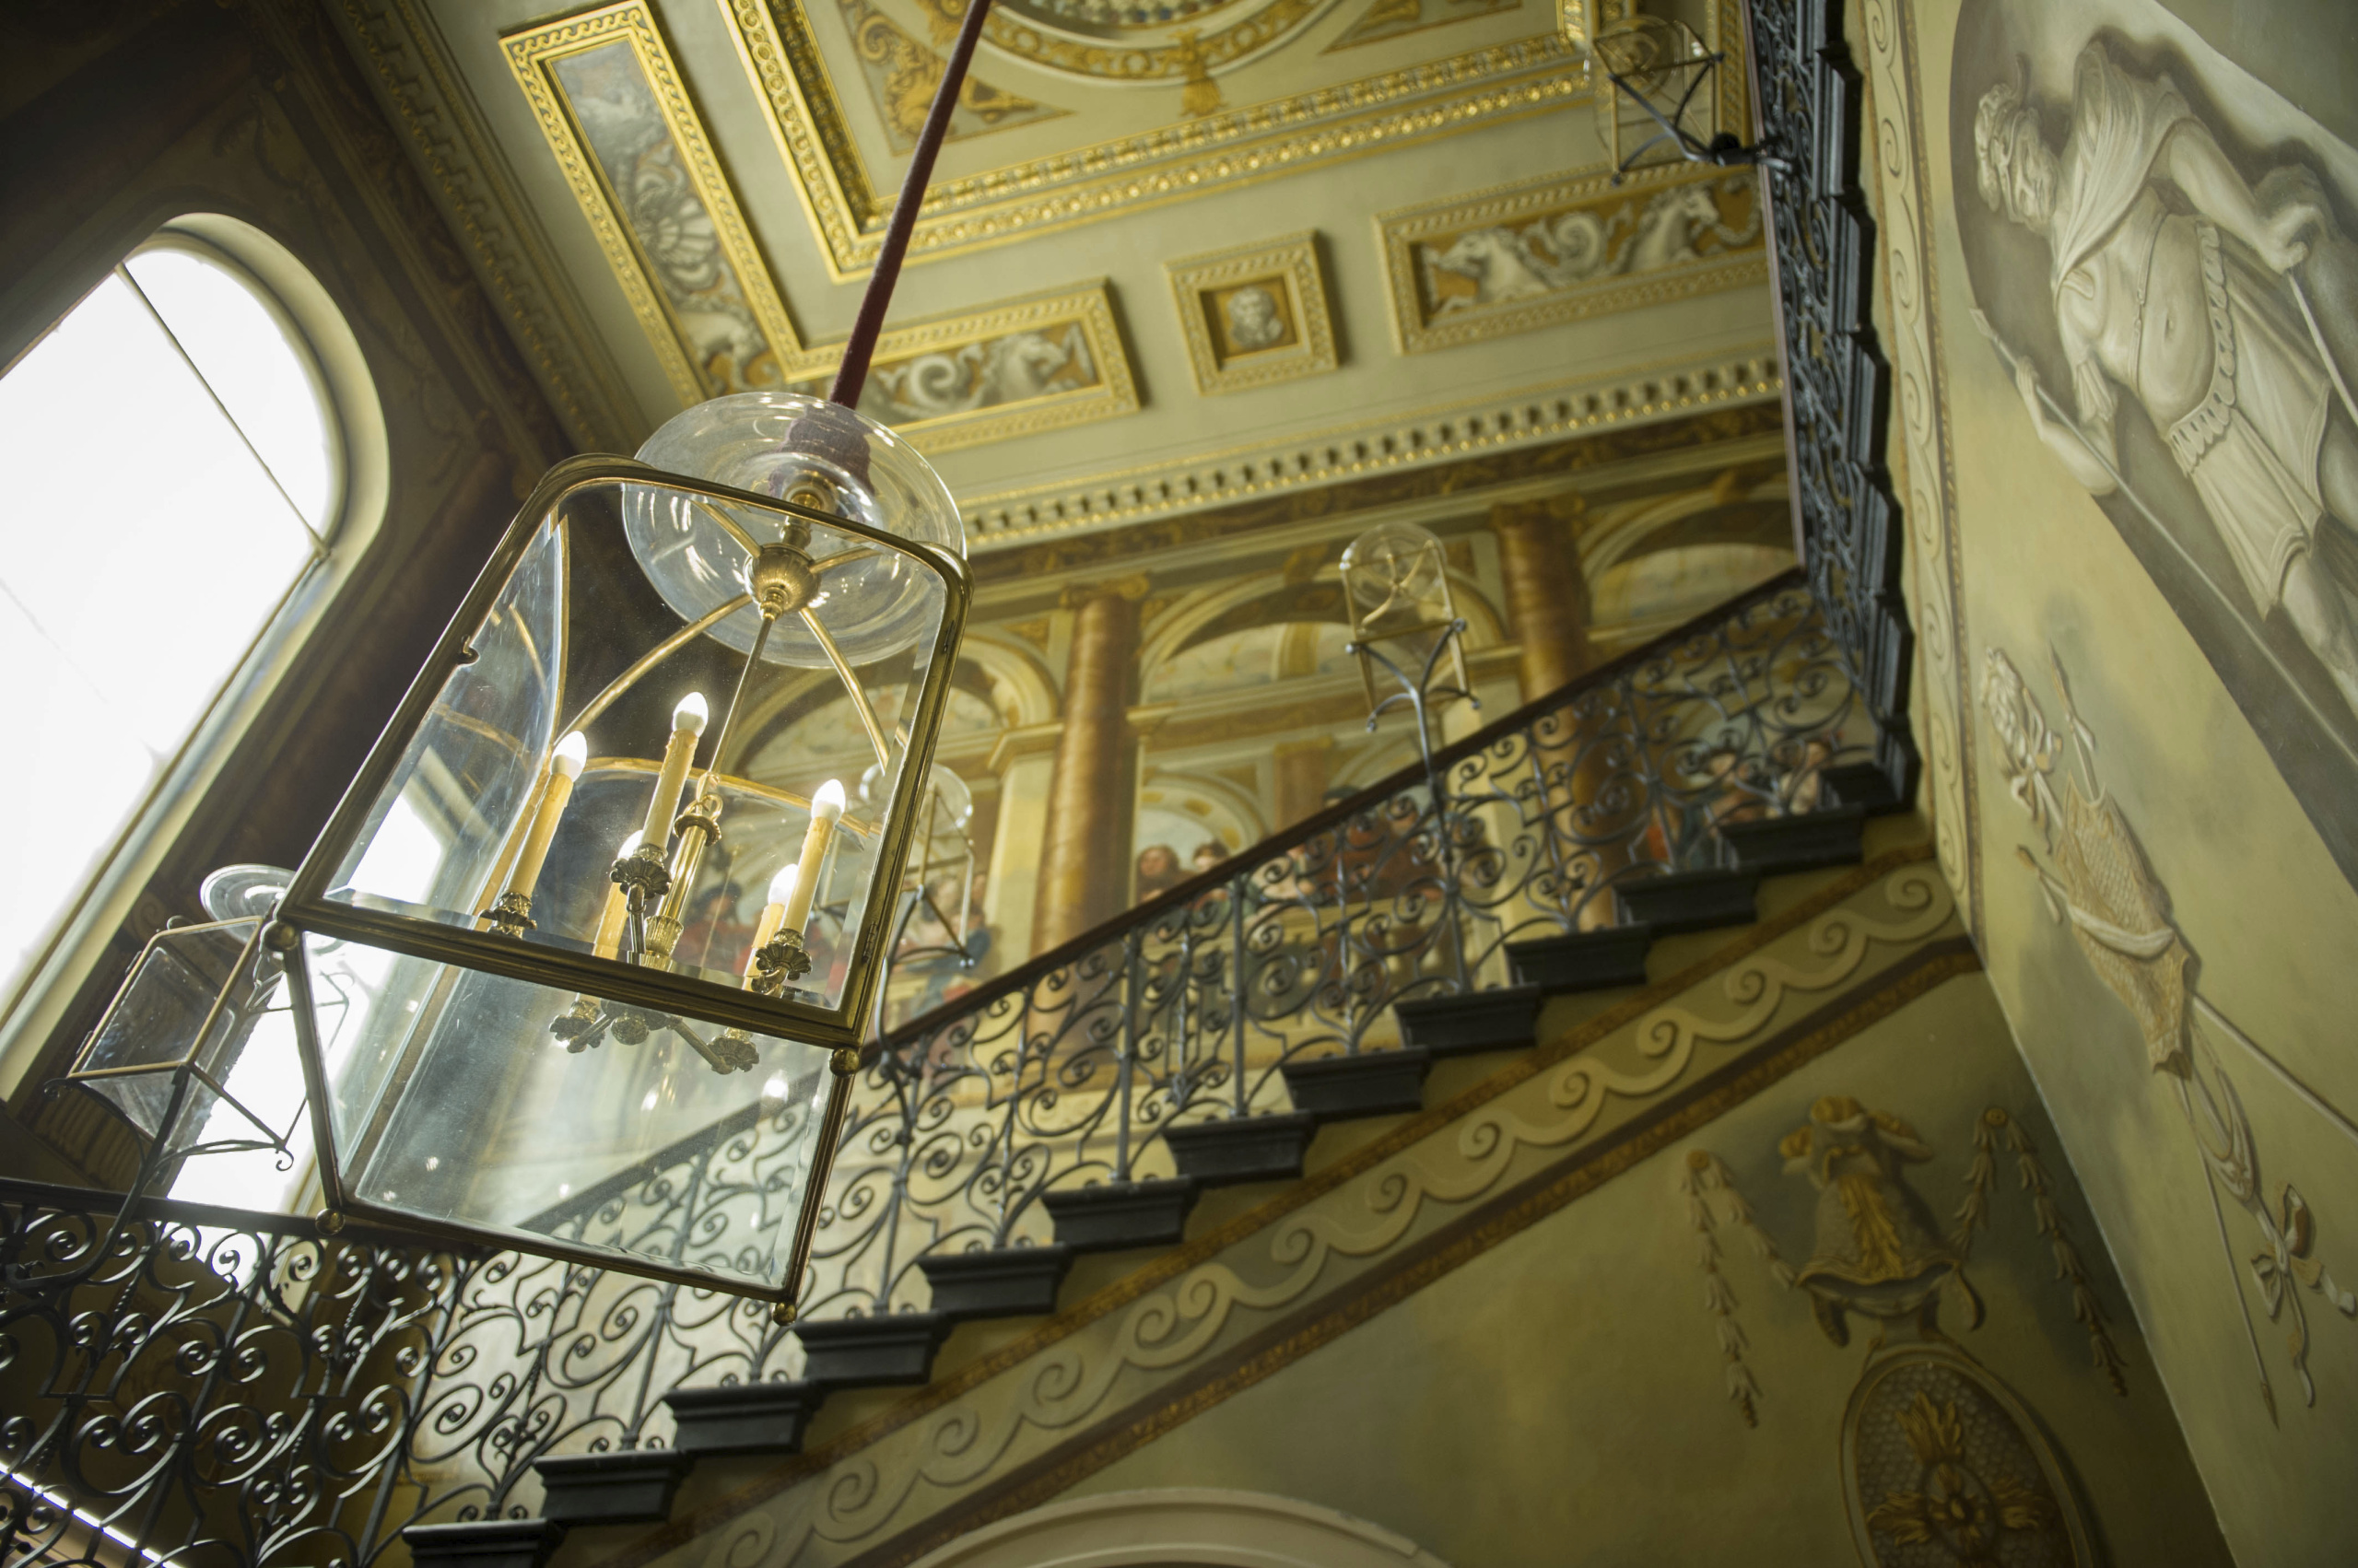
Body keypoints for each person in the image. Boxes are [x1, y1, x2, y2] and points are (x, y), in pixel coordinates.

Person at [1974, 42, 2358, 711]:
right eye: (2005, 180)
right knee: (2322, 629)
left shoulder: (2102, 129)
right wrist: (2039, 420)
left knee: (2352, 487)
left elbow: (2180, 149)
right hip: (2209, 449)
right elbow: (2106, 459)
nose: (2019, 178)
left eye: (2013, 153)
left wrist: (2258, 229)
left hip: (2240, 329)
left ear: (2032, 129)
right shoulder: (2068, 304)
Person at [1224, 285, 1286, 351]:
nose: (1252, 312)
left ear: (1266, 306)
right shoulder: (1236, 334)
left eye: (1256, 305)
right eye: (1244, 308)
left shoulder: (1276, 328)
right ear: (1236, 312)